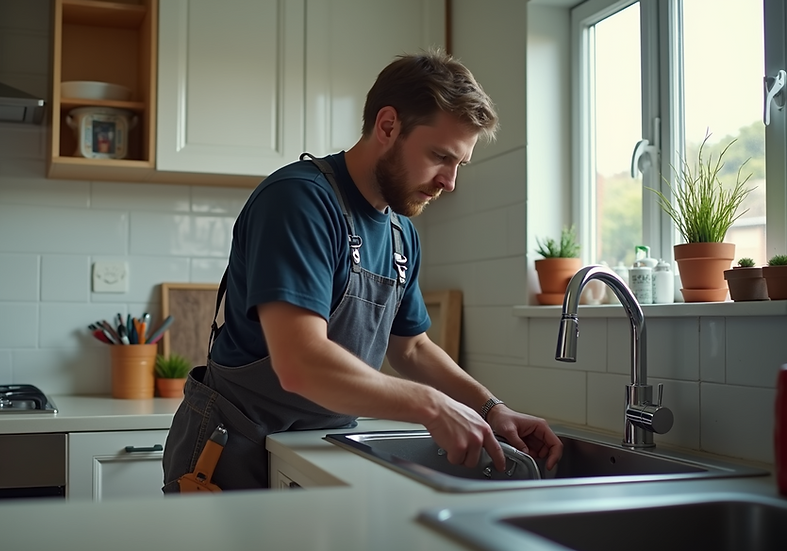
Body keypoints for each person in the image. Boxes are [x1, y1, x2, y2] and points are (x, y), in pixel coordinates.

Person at [162, 48, 563, 493]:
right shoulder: (299, 201)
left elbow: (411, 349)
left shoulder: (400, 233)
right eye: (439, 156)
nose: (450, 182)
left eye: (459, 164)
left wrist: (491, 408)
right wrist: (432, 406)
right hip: (233, 452)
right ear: (387, 126)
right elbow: (300, 364)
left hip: (322, 449)